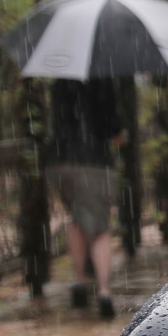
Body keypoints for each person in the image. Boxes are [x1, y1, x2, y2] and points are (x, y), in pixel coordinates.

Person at [45, 78, 124, 317]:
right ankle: (103, 291)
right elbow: (113, 130)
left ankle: (78, 281)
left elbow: (58, 122)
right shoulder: (103, 80)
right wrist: (121, 134)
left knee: (77, 218)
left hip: (60, 161)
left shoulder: (60, 79)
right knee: (100, 228)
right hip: (94, 162)